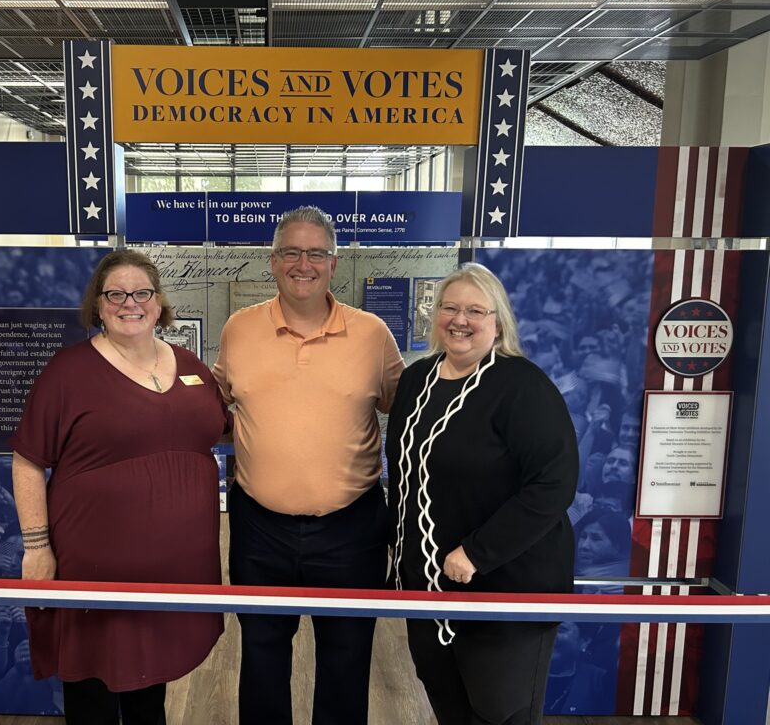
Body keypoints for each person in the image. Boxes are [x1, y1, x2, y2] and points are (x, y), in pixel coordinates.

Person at [11, 250, 230, 725]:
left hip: (174, 572)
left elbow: (223, 429)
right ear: (99, 303)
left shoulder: (192, 366)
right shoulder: (68, 373)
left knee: (150, 689)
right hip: (92, 568)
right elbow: (28, 460)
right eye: (116, 294)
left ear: (158, 300)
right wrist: (36, 546)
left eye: (142, 292)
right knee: (91, 688)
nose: (130, 302)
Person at [213, 207, 404, 725]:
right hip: (259, 527)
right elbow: (213, 412)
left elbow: (407, 412)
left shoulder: (372, 335)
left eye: (316, 252)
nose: (304, 263)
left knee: (346, 660)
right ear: (271, 263)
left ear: (334, 262)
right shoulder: (238, 330)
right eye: (292, 252)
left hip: (352, 528)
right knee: (262, 657)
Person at [386, 262, 578, 725]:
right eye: (449, 307)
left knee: (499, 714)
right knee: (449, 708)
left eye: (475, 310)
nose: (460, 319)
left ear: (498, 322)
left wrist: (477, 552)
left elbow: (554, 483)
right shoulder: (415, 381)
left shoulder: (522, 386)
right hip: (428, 592)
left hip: (505, 593)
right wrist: (395, 554)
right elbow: (405, 476)